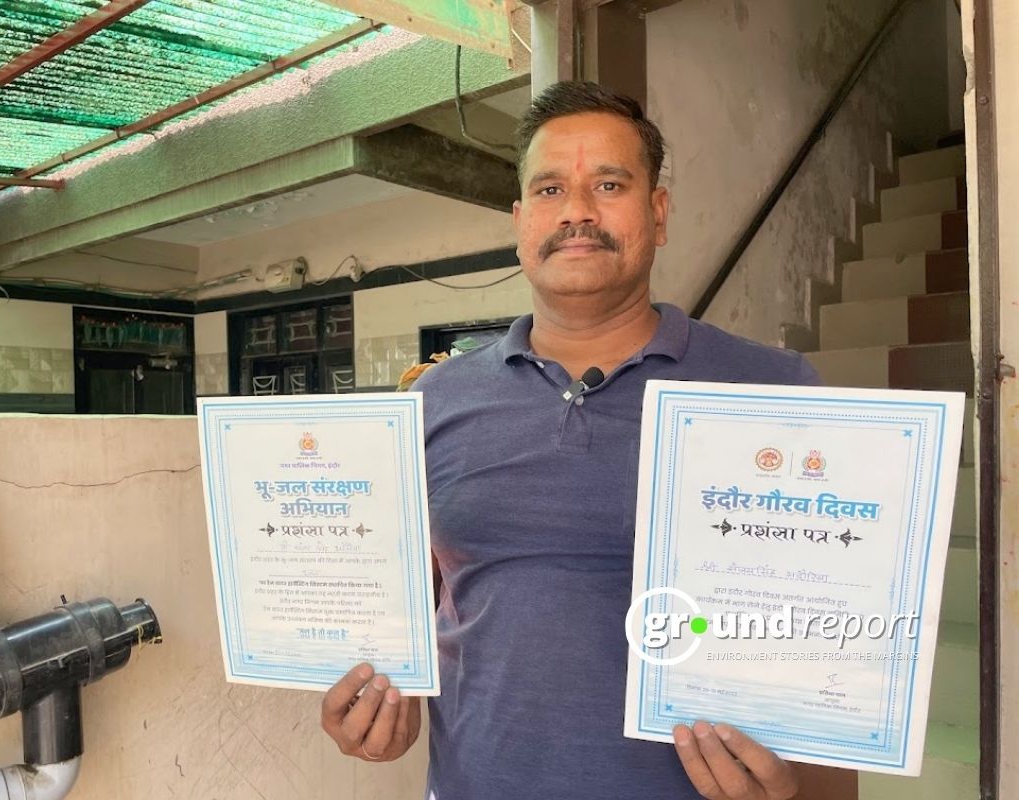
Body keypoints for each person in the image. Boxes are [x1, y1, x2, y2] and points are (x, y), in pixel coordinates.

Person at [320, 81, 852, 799]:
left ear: (657, 213)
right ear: (519, 220)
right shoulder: (433, 401)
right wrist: (386, 706)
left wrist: (802, 790)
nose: (576, 211)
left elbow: (836, 651)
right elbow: (407, 616)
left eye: (609, 183)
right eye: (548, 190)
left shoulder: (774, 391)